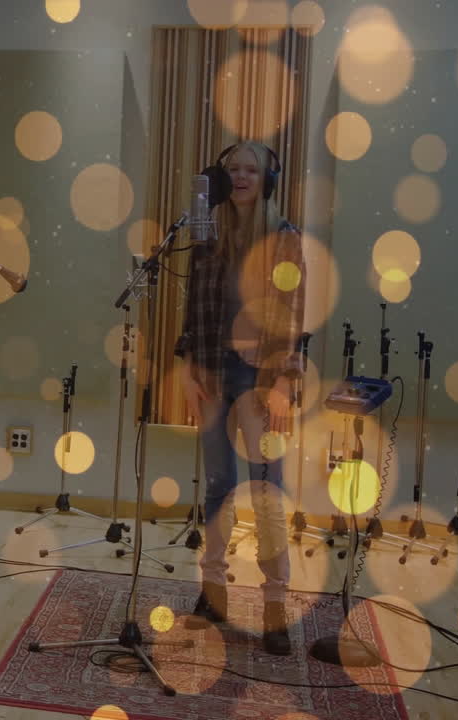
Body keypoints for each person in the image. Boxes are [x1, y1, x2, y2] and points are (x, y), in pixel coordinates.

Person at [175, 141, 305, 656]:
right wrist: (188, 370)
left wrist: (281, 382)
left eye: (252, 169)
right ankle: (213, 593)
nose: (242, 177)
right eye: (233, 169)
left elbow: (293, 312)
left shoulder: (285, 238)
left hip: (259, 379)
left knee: (266, 490)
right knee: (219, 488)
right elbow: (192, 308)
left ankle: (275, 605)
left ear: (268, 179)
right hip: (211, 373)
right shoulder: (207, 235)